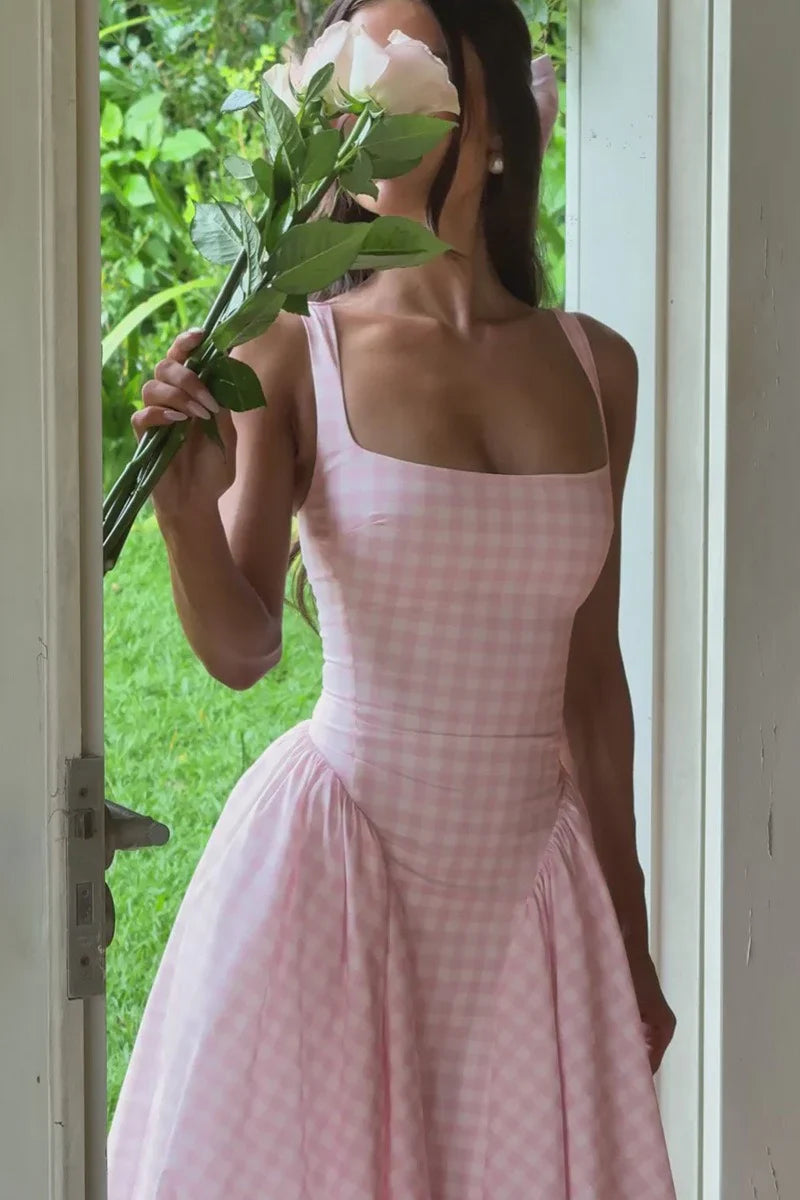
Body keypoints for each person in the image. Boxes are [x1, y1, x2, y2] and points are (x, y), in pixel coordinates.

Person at [107, 0, 678, 1196]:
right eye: (348, 82)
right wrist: (181, 514)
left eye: (404, 68)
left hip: (531, 897)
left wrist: (627, 932)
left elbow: (591, 681)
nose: (365, 110)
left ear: (498, 123)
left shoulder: (597, 370)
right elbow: (242, 651)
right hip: (339, 875)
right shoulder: (291, 351)